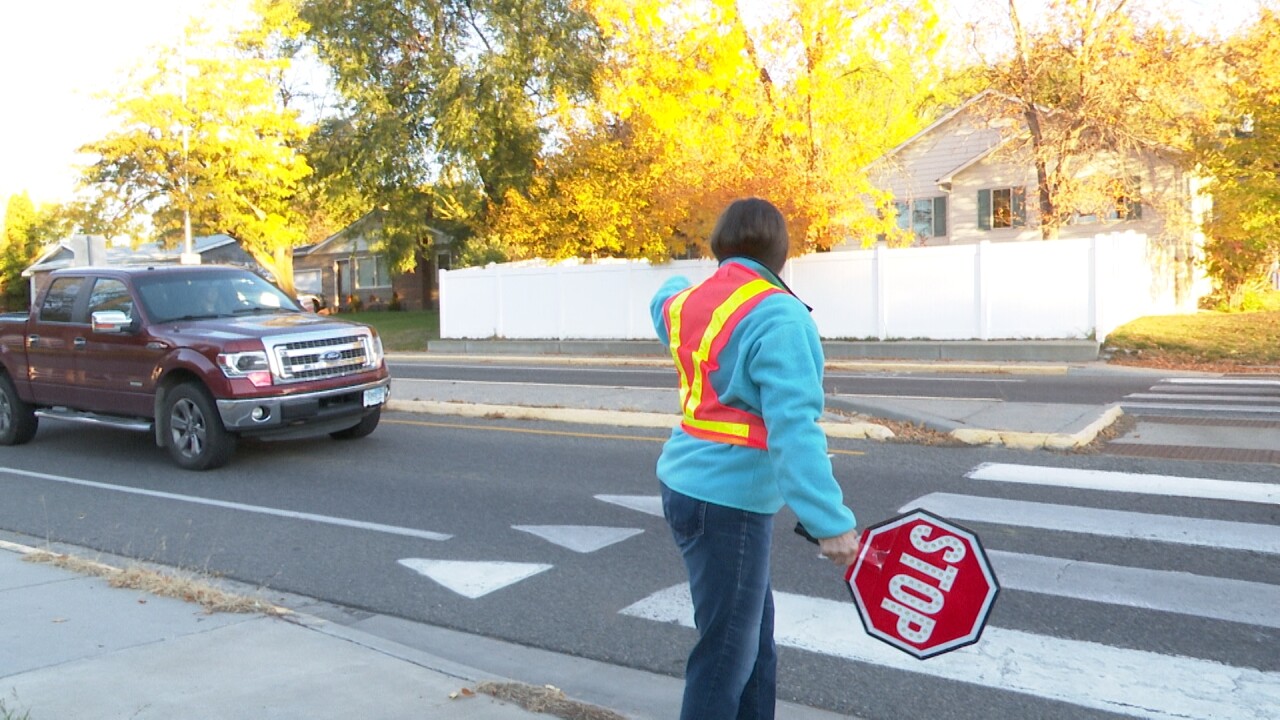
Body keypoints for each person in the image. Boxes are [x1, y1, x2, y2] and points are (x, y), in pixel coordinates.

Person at [649, 197, 861, 720]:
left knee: (750, 641)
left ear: (721, 246)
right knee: (726, 656)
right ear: (780, 252)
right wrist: (828, 522)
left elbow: (663, 296)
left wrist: (708, 279)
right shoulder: (779, 316)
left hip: (685, 484)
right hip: (730, 502)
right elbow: (794, 430)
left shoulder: (691, 302)